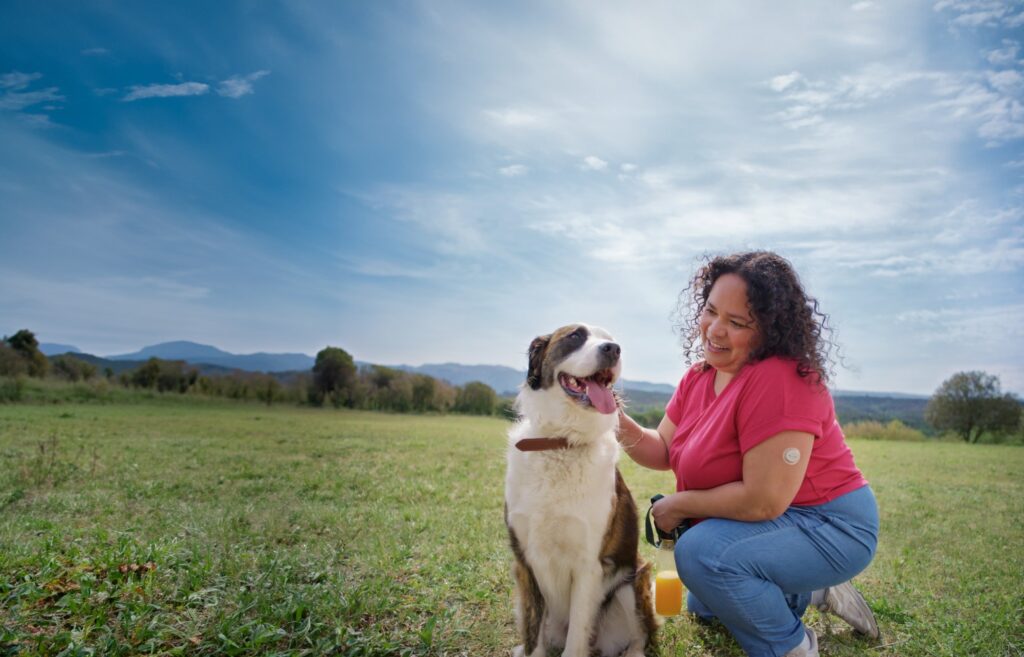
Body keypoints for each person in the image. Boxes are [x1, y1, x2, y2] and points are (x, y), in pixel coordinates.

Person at [616, 251, 880, 657]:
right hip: (781, 522)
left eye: (737, 323)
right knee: (703, 605)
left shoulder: (782, 378)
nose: (715, 330)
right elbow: (663, 449)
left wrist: (678, 505)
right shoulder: (699, 376)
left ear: (769, 331)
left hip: (829, 524)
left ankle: (792, 646)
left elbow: (764, 500)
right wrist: (610, 418)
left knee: (702, 556)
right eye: (711, 311)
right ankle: (812, 590)